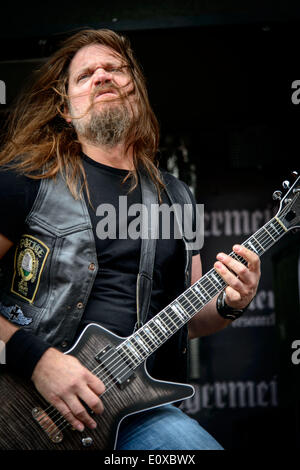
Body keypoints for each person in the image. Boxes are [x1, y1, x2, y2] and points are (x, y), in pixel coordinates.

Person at [0, 28, 261, 450]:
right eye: (85, 75)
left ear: (135, 93)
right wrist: (37, 360)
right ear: (66, 109)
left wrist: (233, 303)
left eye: (115, 69)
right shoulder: (22, 182)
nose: (102, 75)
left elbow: (189, 318)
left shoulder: (178, 197)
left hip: (135, 413)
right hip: (21, 403)